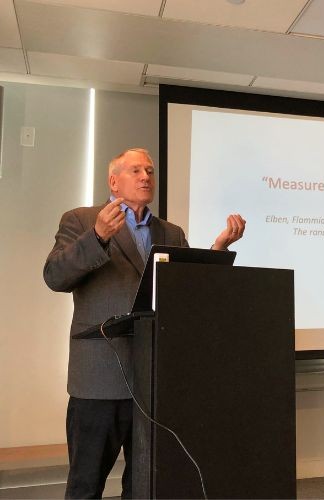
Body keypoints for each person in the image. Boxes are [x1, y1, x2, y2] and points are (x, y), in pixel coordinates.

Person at [43, 148, 245, 499]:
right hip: (99, 380)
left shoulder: (170, 231)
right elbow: (55, 276)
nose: (146, 177)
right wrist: (98, 237)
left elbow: (189, 291)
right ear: (113, 180)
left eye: (150, 170)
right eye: (135, 170)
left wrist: (218, 250)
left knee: (145, 486)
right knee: (85, 484)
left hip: (154, 382)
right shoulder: (80, 219)